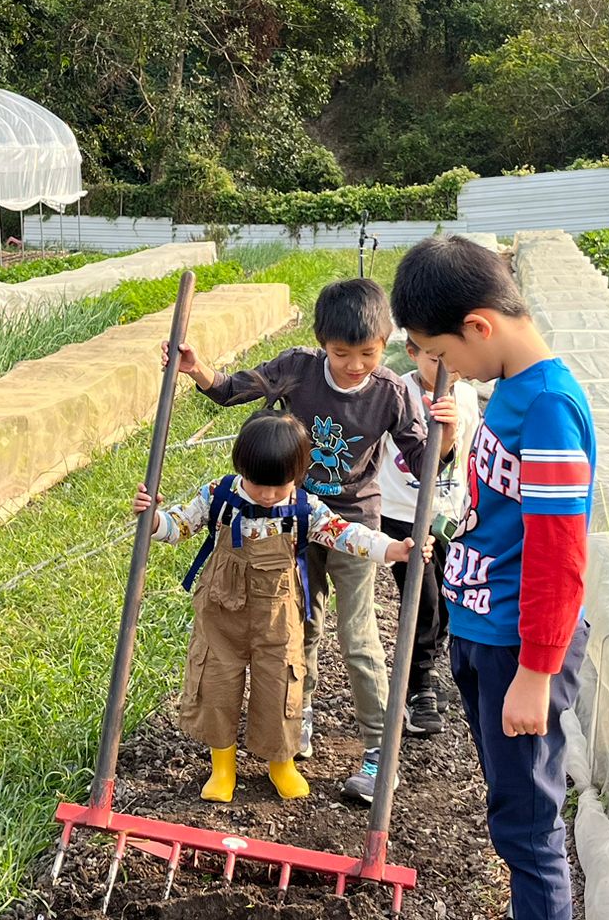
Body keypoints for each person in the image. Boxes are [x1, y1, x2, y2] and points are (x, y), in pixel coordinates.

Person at [389, 235, 595, 920]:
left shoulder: (546, 408)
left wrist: (539, 672)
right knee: (512, 816)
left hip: (520, 651)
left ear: (479, 324)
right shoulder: (509, 390)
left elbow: (559, 553)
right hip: (486, 634)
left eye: (442, 356)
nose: (444, 374)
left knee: (527, 824)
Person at [166, 278, 455, 805]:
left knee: (359, 637)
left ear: (385, 342)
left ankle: (377, 752)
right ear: (322, 341)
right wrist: (197, 368)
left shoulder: (390, 391)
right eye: (342, 353)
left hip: (351, 526)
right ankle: (299, 720)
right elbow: (234, 390)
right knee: (302, 629)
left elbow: (423, 462)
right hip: (295, 524)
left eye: (367, 353)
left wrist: (447, 434)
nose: (353, 365)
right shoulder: (298, 368)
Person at [133, 412, 418, 803]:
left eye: (279, 486)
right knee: (216, 684)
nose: (268, 495)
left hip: (278, 618)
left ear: (299, 474)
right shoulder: (220, 496)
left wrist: (391, 549)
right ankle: (223, 767)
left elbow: (347, 535)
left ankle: (281, 763)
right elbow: (179, 526)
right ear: (241, 468)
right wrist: (153, 521)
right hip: (222, 615)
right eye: (258, 485)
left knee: (281, 687)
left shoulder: (305, 509)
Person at [379, 333, 482, 738]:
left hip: (450, 512)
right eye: (434, 359)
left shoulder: (469, 397)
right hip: (403, 513)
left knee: (444, 596)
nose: (445, 369)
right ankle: (417, 685)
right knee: (421, 598)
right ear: (412, 353)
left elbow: (470, 453)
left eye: (451, 359)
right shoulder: (396, 392)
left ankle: (428, 662)